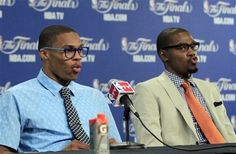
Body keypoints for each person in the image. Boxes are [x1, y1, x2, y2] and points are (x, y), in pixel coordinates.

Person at [0, 25, 121, 153]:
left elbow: (115, 144)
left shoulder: (95, 96)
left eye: (80, 50)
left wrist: (113, 147)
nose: (77, 57)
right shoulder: (16, 97)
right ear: (45, 54)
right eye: (68, 50)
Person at [131, 27, 236, 147]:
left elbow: (228, 133)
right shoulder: (147, 90)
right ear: (164, 55)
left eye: (193, 46)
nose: (192, 52)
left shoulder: (210, 88)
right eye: (183, 48)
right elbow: (151, 145)